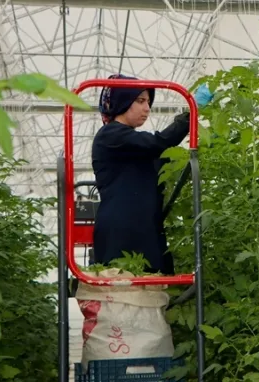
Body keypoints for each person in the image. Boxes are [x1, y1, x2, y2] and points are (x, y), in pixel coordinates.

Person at [91, 74, 213, 275]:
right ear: (122, 102)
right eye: (140, 101)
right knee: (125, 294)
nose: (147, 108)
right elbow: (159, 143)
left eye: (148, 102)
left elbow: (161, 157)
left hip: (146, 230)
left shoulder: (132, 142)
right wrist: (192, 112)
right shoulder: (110, 135)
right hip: (122, 233)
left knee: (153, 294)